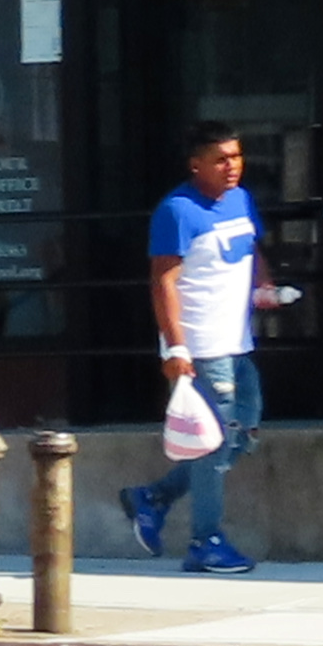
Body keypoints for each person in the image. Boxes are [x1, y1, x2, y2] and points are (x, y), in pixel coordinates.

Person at [121, 123, 297, 576]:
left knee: (243, 435)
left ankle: (154, 497)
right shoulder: (177, 211)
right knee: (211, 447)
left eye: (236, 156)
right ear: (195, 163)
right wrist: (175, 347)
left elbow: (251, 247)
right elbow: (163, 282)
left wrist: (265, 284)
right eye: (221, 159)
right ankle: (205, 541)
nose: (232, 166)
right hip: (202, 347)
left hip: (238, 343)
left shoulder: (239, 200)